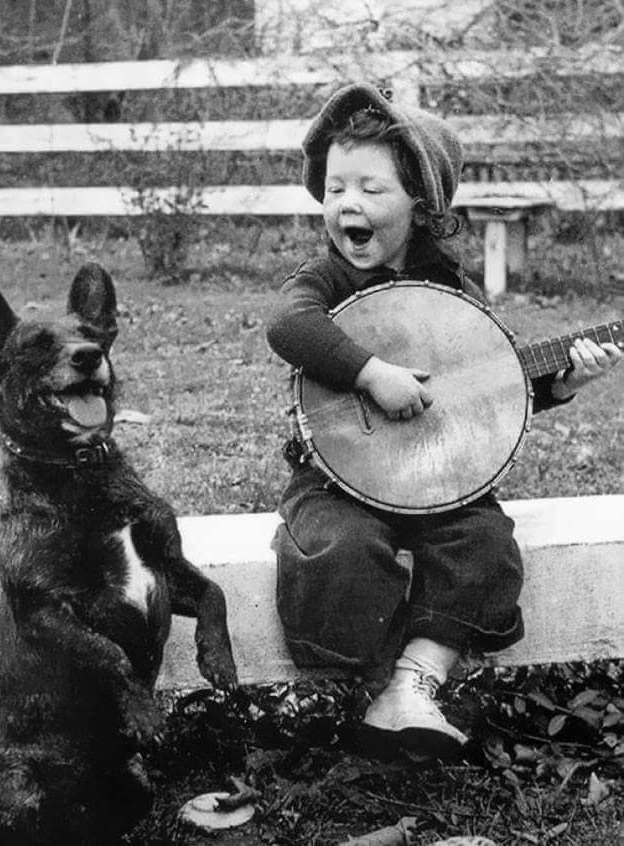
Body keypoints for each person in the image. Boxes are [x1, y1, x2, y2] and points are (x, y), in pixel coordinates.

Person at [265, 82, 621, 759]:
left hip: (436, 478)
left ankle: (410, 687)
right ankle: (345, 693)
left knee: (484, 542)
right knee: (342, 548)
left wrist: (564, 382)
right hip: (337, 476)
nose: (347, 205)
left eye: (371, 189)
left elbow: (482, 390)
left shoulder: (453, 294)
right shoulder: (326, 278)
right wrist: (373, 373)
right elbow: (289, 326)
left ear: (422, 205)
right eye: (336, 188)